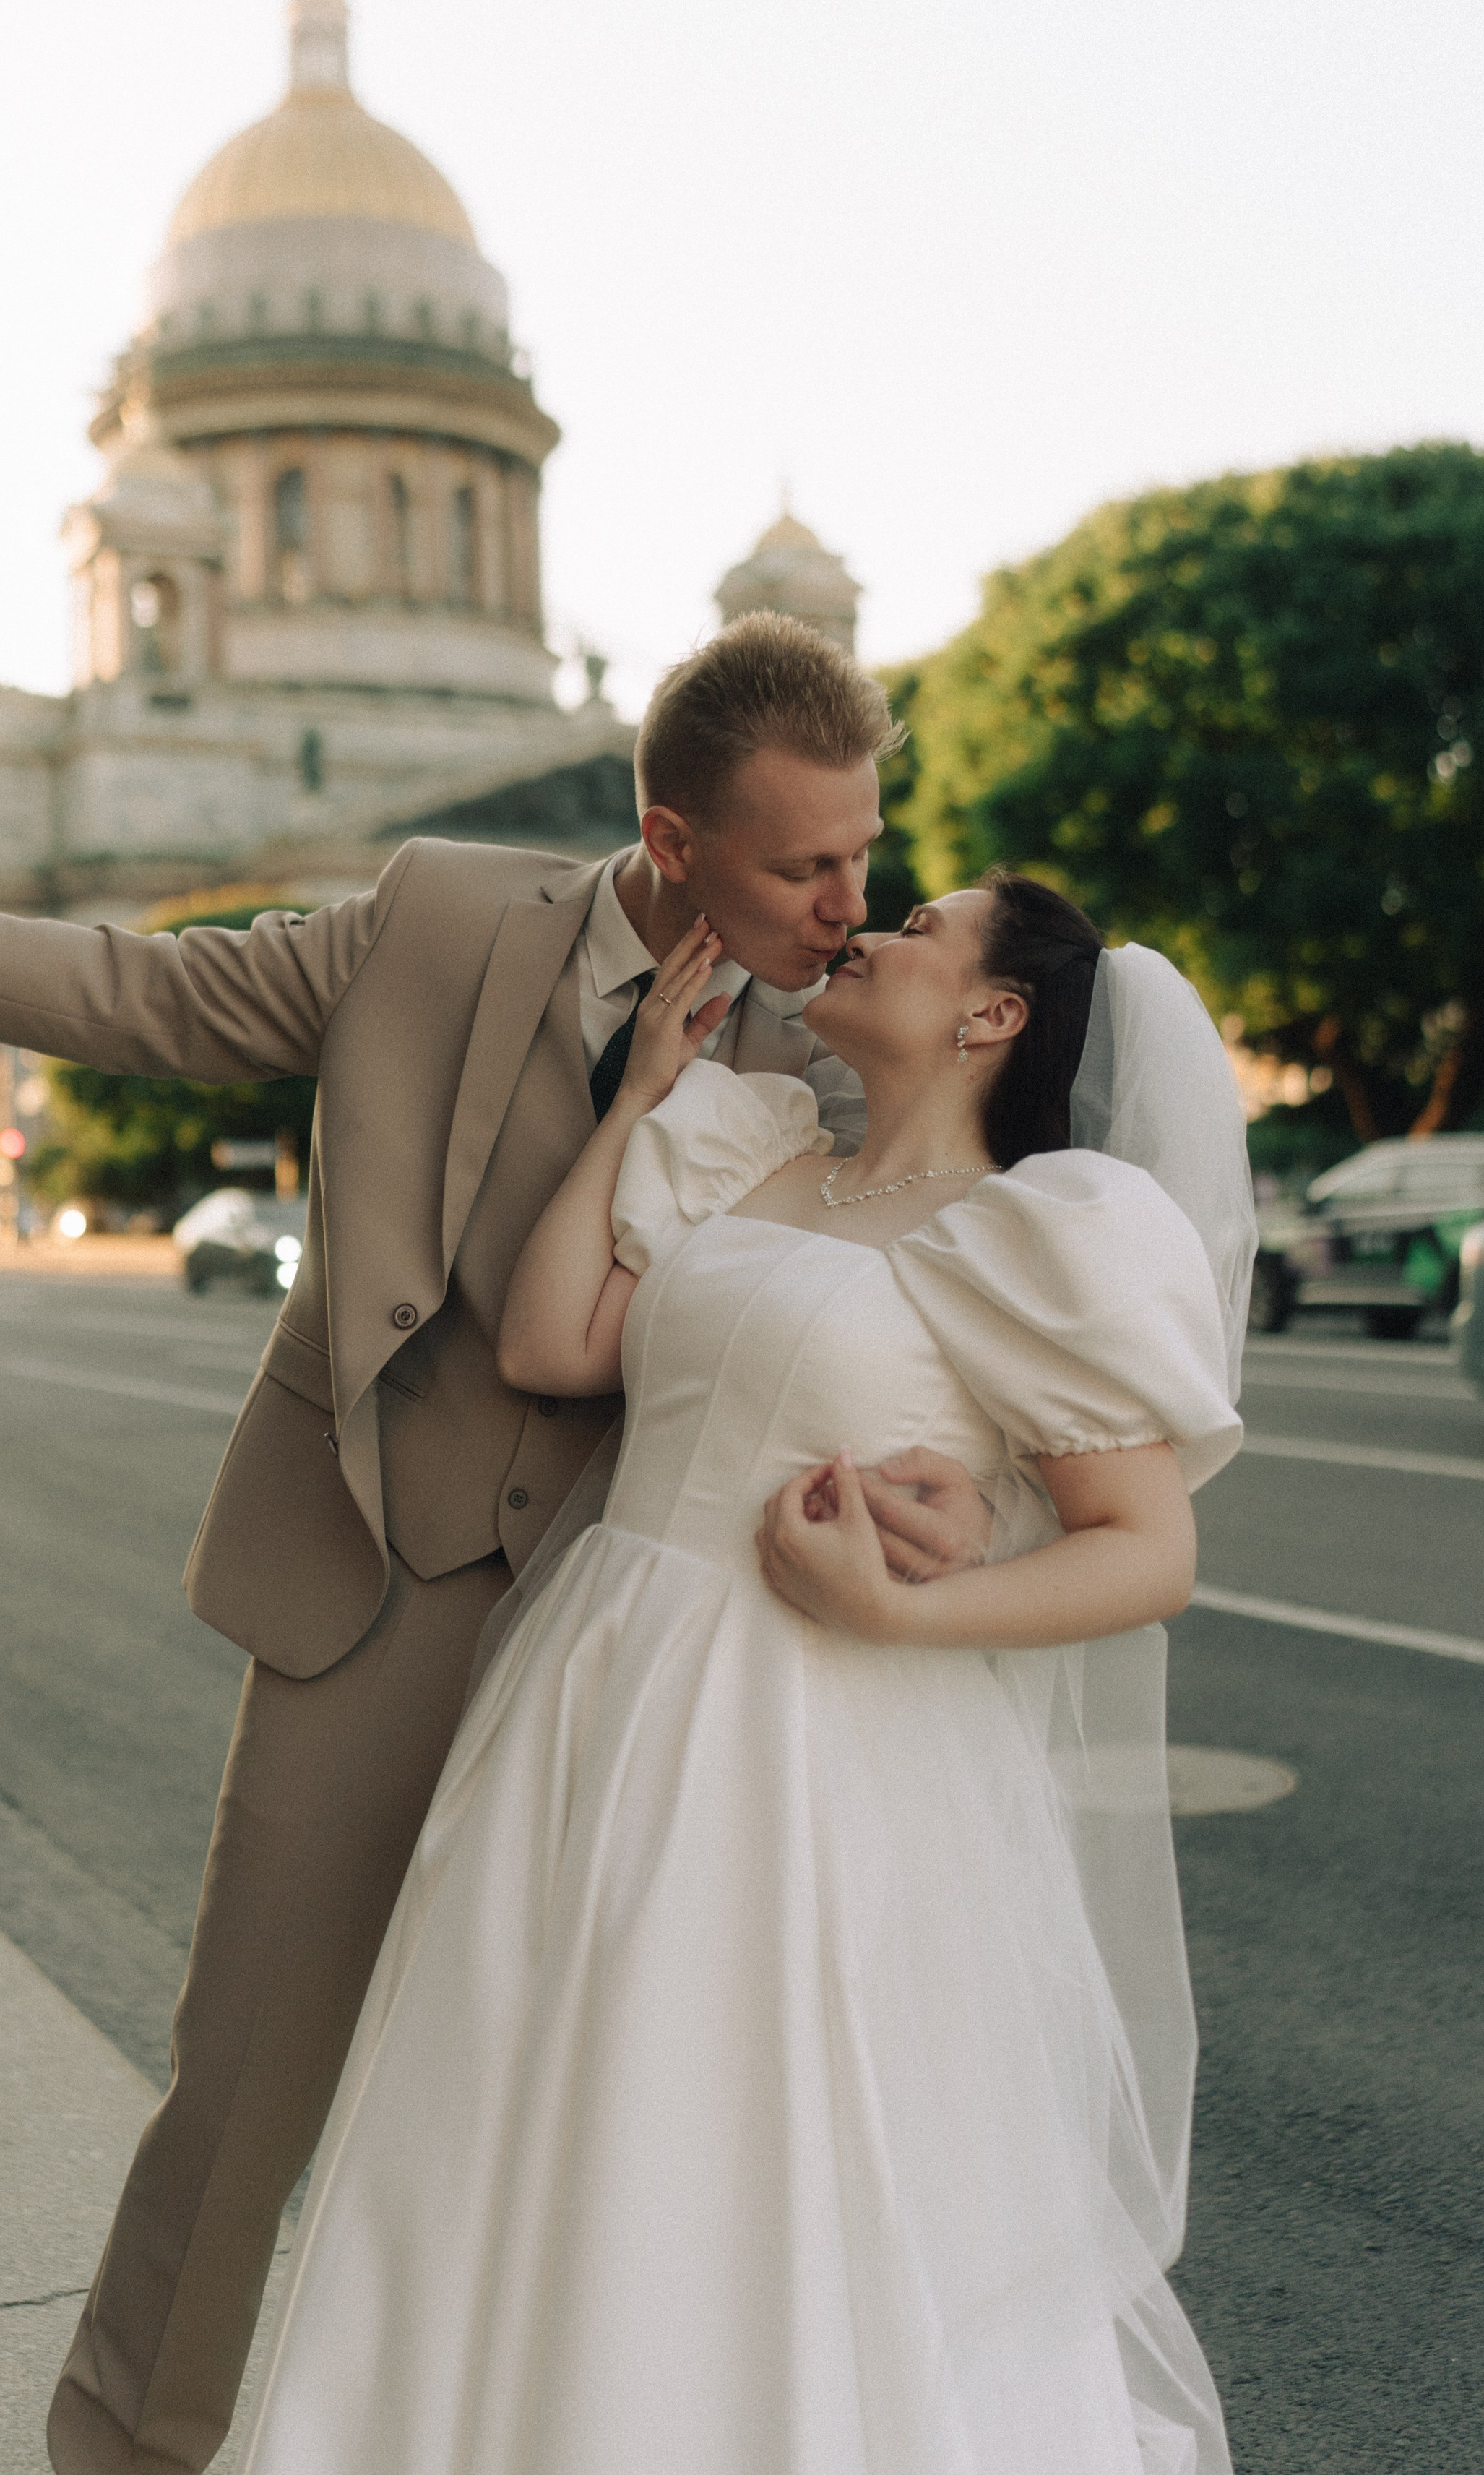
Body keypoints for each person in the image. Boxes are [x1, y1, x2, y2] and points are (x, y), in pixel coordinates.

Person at [0, 614, 997, 2475]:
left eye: (865, 850)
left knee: (590, 2125)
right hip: (382, 1587)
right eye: (803, 862)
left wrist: (958, 1478)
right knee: (244, 2099)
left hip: (659, 1629)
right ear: (670, 834)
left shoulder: (857, 1030)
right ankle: (129, 2450)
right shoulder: (444, 913)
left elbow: (930, 1274)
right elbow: (148, 999)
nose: (847, 899)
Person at [234, 873, 1255, 2475]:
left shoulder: (1037, 1235)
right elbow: (553, 1344)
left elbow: (1145, 1549)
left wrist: (906, 1608)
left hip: (813, 1746)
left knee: (742, 2158)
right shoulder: (755, 1145)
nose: (873, 928)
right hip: (597, 1684)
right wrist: (641, 1091)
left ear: (994, 1016)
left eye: (921, 927)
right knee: (526, 2133)